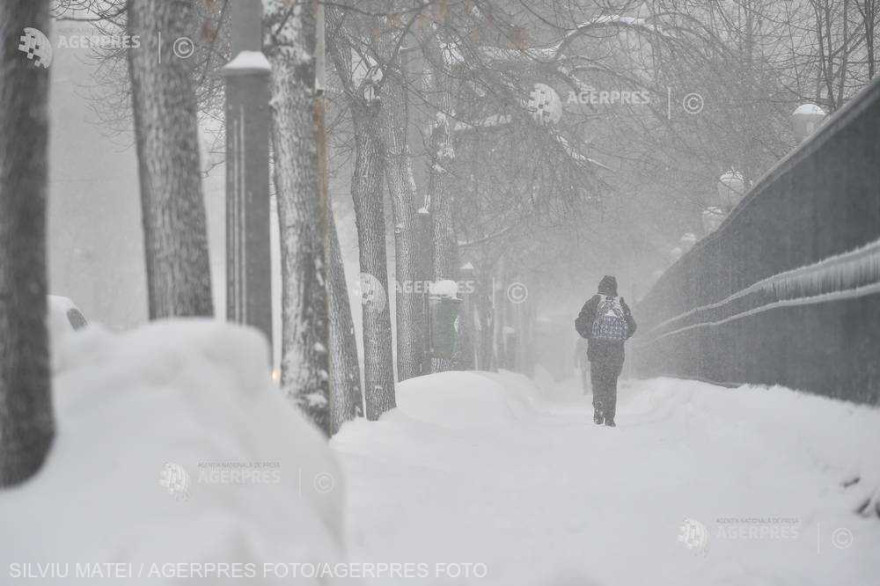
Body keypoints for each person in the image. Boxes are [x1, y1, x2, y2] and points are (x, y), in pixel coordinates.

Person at [574, 275, 637, 427]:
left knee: (597, 381)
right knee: (611, 383)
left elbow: (579, 322)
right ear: (615, 287)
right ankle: (609, 417)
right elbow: (632, 326)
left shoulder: (593, 302)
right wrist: (621, 337)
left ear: (600, 286)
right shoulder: (620, 303)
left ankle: (598, 405)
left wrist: (591, 335)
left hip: (597, 350)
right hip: (616, 352)